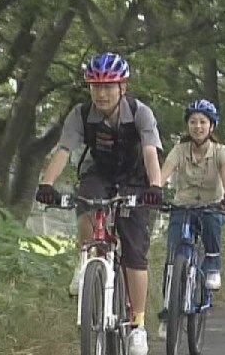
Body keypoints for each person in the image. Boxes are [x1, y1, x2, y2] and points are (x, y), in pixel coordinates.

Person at [35, 52, 162, 355]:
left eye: (109, 86)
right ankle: (84, 263)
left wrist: (155, 187)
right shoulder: (80, 114)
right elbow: (64, 150)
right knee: (85, 199)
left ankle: (139, 325)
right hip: (99, 172)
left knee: (134, 252)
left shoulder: (141, 113)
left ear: (123, 87)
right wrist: (46, 184)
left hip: (135, 178)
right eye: (95, 87)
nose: (102, 93)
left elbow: (149, 152)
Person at [155, 99, 225, 339]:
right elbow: (162, 174)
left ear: (212, 126)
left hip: (211, 205)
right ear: (187, 125)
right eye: (193, 122)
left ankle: (212, 264)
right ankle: (168, 312)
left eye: (203, 122)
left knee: (211, 224)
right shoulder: (179, 150)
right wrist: (153, 191)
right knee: (173, 258)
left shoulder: (222, 151)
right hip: (183, 205)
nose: (197, 126)